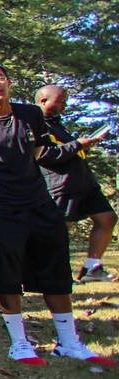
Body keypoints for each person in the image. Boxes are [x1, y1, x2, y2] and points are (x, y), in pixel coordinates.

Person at [0, 65, 111, 367]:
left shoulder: (30, 115)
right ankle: (20, 344)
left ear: (9, 83)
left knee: (56, 267)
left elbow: (37, 151)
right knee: (6, 272)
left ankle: (68, 342)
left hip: (38, 202)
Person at [37, 84, 116, 282]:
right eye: (61, 101)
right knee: (60, 231)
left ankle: (92, 268)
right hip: (62, 184)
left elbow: (70, 151)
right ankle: (51, 273)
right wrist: (78, 144)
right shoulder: (35, 124)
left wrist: (84, 147)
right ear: (43, 101)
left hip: (84, 182)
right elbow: (43, 155)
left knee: (107, 218)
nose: (65, 105)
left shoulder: (57, 124)